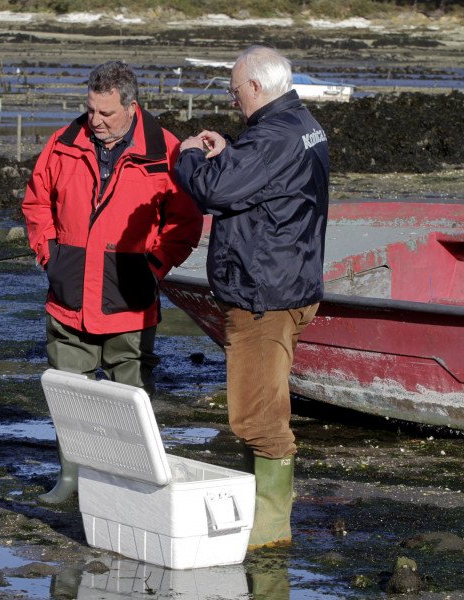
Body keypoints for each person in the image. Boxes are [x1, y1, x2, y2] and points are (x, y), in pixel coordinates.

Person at [21, 60, 203, 504]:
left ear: (131, 106)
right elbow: (36, 202)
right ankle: (72, 480)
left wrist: (152, 266)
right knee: (69, 395)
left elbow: (185, 223)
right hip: (69, 295)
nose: (95, 122)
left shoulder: (167, 152)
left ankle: (132, 486)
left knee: (132, 401)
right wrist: (50, 255)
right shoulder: (63, 144)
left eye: (106, 113)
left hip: (130, 300)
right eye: (90, 111)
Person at [173, 46, 329, 548]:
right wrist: (233, 148)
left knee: (257, 418)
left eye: (234, 90)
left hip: (264, 296)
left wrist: (190, 153)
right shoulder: (301, 123)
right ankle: (261, 523)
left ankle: (268, 535)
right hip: (290, 284)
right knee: (265, 406)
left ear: (256, 89)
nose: (232, 98)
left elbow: (212, 192)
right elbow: (262, 173)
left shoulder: (274, 137)